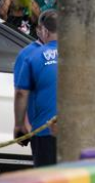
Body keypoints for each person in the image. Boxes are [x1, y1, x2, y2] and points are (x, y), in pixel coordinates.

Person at [14, 10, 60, 167]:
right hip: (72, 130)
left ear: (44, 31)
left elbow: (21, 93)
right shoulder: (78, 55)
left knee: (48, 180)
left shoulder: (32, 57)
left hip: (44, 130)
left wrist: (19, 125)